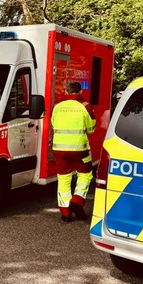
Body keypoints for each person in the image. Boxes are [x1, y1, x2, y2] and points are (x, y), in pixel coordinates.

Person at [51, 81, 96, 222]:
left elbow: (53, 124)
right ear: (80, 91)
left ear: (66, 91)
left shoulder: (57, 107)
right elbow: (91, 128)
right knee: (86, 174)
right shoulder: (85, 106)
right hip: (80, 150)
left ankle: (65, 213)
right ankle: (77, 201)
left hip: (59, 149)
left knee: (63, 178)